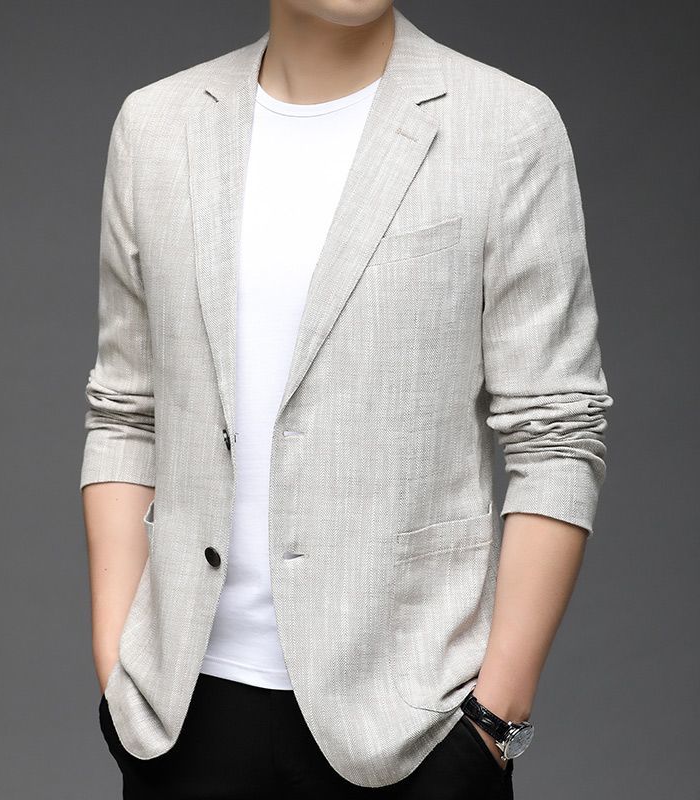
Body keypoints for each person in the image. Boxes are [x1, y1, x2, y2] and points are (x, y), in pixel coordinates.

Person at [80, 2, 613, 797]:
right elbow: (126, 411)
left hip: (415, 727)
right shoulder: (156, 126)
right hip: (184, 719)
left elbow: (557, 434)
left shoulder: (506, 127)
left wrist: (495, 720)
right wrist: (120, 671)